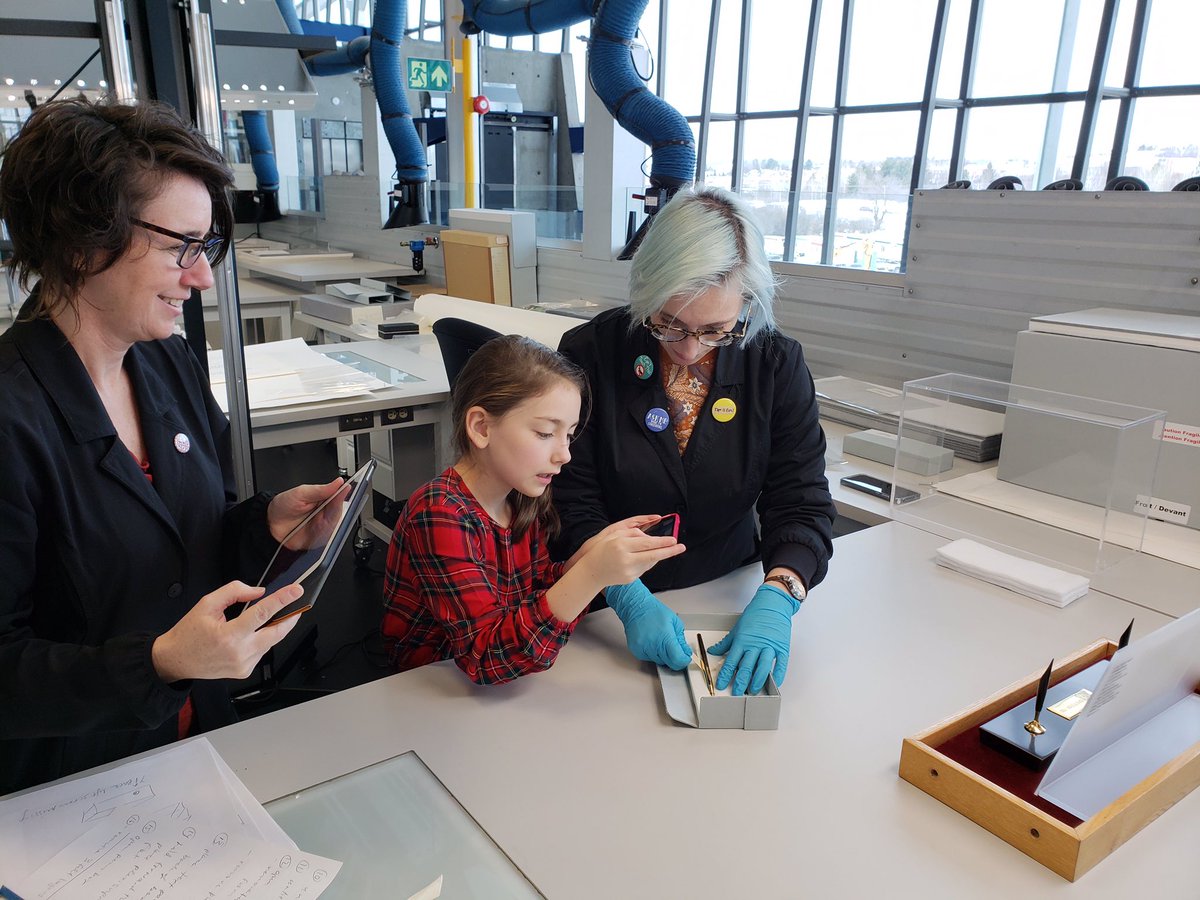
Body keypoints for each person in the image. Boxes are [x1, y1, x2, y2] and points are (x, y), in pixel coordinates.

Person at [0, 98, 343, 796]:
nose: (203, 277)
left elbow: (199, 540)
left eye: (207, 246)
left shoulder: (167, 363)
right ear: (80, 243)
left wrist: (270, 525)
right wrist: (157, 663)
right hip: (70, 787)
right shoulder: (12, 415)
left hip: (195, 747)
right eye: (180, 247)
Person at [553, 185, 836, 696]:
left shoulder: (773, 363)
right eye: (668, 324)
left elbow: (801, 500)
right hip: (602, 604)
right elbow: (571, 498)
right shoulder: (592, 352)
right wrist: (623, 592)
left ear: (747, 304)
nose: (688, 348)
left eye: (715, 330)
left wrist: (781, 594)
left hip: (728, 588)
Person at [382, 335, 685, 684]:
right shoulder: (438, 514)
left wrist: (586, 560)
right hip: (427, 690)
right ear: (482, 427)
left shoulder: (521, 498)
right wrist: (591, 575)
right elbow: (487, 658)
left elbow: (532, 595)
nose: (565, 454)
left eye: (569, 434)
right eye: (544, 433)